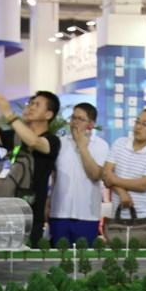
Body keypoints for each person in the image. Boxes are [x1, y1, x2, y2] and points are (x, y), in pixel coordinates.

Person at [0, 86, 61, 246]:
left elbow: (34, 142)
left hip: (29, 217)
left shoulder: (52, 141)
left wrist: (9, 113)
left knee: (24, 260)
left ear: (48, 114)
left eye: (37, 105)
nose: (31, 107)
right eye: (31, 103)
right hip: (3, 214)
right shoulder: (15, 137)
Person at [49, 102, 109, 246]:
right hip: (59, 213)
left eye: (80, 119)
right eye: (73, 118)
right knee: (58, 256)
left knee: (84, 257)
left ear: (91, 124)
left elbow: (95, 174)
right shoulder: (60, 143)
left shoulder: (101, 145)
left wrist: (82, 146)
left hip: (87, 215)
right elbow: (54, 176)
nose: (75, 122)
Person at [103, 108, 146, 236]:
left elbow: (143, 185)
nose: (138, 127)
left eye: (145, 124)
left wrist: (113, 179)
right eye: (137, 122)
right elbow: (106, 174)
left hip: (143, 218)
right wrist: (122, 193)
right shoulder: (119, 143)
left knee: (140, 250)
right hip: (118, 216)